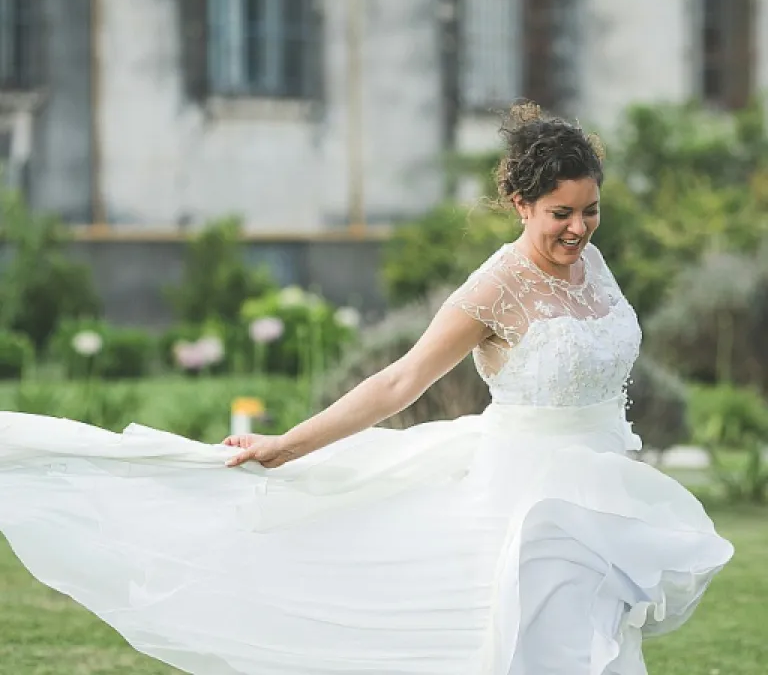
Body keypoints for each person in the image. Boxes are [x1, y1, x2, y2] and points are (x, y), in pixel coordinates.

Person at [0, 102, 733, 675]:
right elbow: (397, 381)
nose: (579, 228)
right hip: (533, 507)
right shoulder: (496, 286)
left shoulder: (593, 263)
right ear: (520, 204)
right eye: (560, 214)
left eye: (590, 209)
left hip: (603, 493)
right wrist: (288, 444)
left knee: (596, 651)